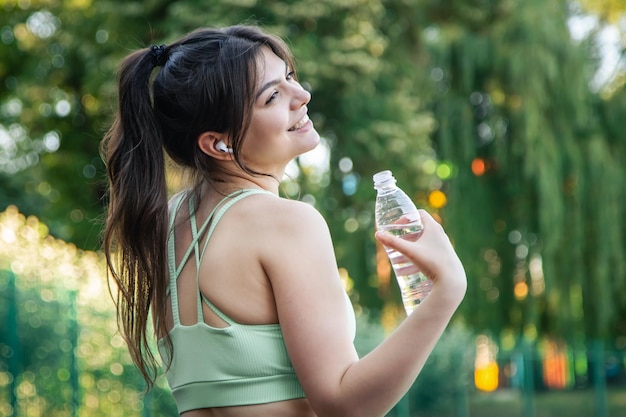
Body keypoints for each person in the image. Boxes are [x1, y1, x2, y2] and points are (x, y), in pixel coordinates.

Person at [101, 25, 466, 417]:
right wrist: (446, 291)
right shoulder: (286, 223)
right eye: (273, 95)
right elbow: (344, 404)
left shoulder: (165, 223)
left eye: (289, 77)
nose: (302, 96)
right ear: (217, 143)